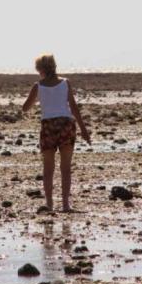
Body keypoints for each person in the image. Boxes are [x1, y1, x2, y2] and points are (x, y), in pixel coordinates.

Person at [22, 54, 91, 212]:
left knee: (48, 168)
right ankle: (66, 204)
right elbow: (74, 108)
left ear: (40, 69)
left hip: (48, 126)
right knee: (65, 167)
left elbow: (25, 108)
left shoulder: (38, 86)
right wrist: (84, 130)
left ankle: (49, 203)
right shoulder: (65, 83)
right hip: (66, 124)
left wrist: (37, 98)